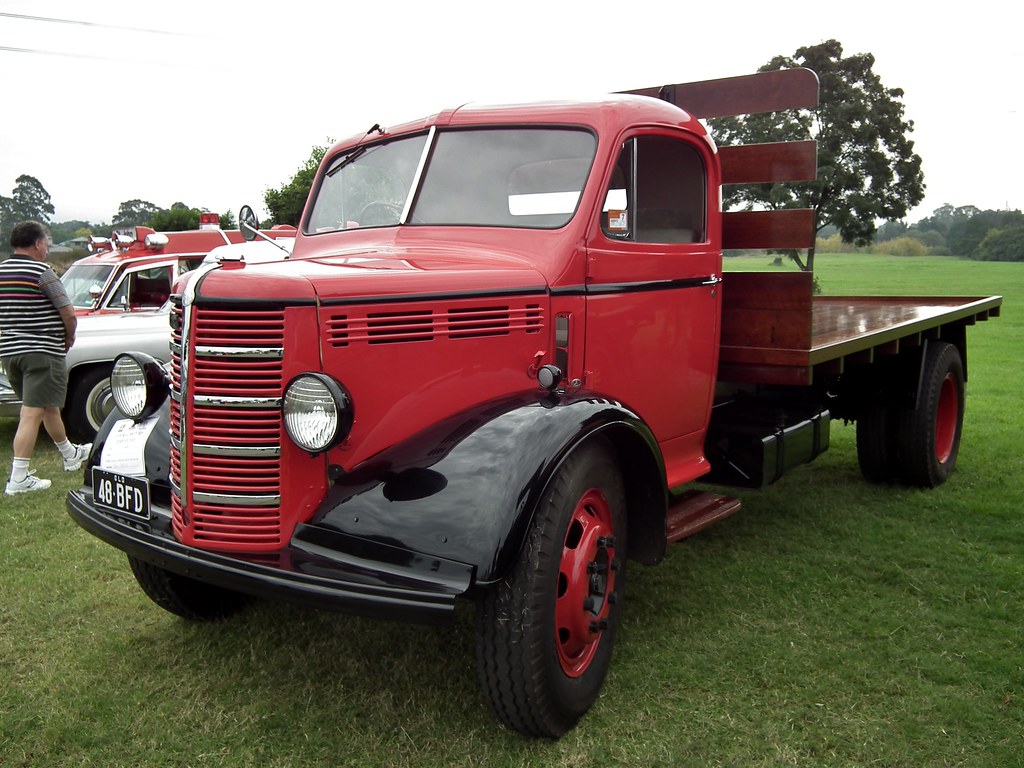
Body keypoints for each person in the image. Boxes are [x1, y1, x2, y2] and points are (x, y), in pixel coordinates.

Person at [1, 221, 91, 495]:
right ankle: (19, 479)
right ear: (38, 243)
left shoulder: (1, 271)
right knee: (31, 413)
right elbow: (68, 312)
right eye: (47, 243)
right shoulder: (43, 272)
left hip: (10, 353)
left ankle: (70, 454)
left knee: (46, 406)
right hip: (42, 351)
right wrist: (68, 337)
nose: (48, 249)